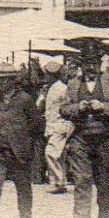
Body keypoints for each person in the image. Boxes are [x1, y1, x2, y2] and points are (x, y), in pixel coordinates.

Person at [61, 46, 109, 218]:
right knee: (81, 181)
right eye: (87, 63)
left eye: (94, 63)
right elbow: (64, 109)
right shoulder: (73, 84)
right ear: (82, 66)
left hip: (105, 139)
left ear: (100, 65)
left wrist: (104, 107)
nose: (91, 67)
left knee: (105, 183)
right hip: (80, 139)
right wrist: (78, 108)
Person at [0, 65, 40, 218]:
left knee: (23, 185)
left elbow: (36, 123)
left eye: (4, 80)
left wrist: (23, 138)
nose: (0, 83)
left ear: (13, 81)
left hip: (18, 150)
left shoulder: (25, 99)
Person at [42, 57, 77, 194]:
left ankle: (58, 181)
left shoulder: (62, 88)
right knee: (58, 154)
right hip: (53, 125)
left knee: (51, 153)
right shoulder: (51, 88)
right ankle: (57, 182)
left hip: (60, 125)